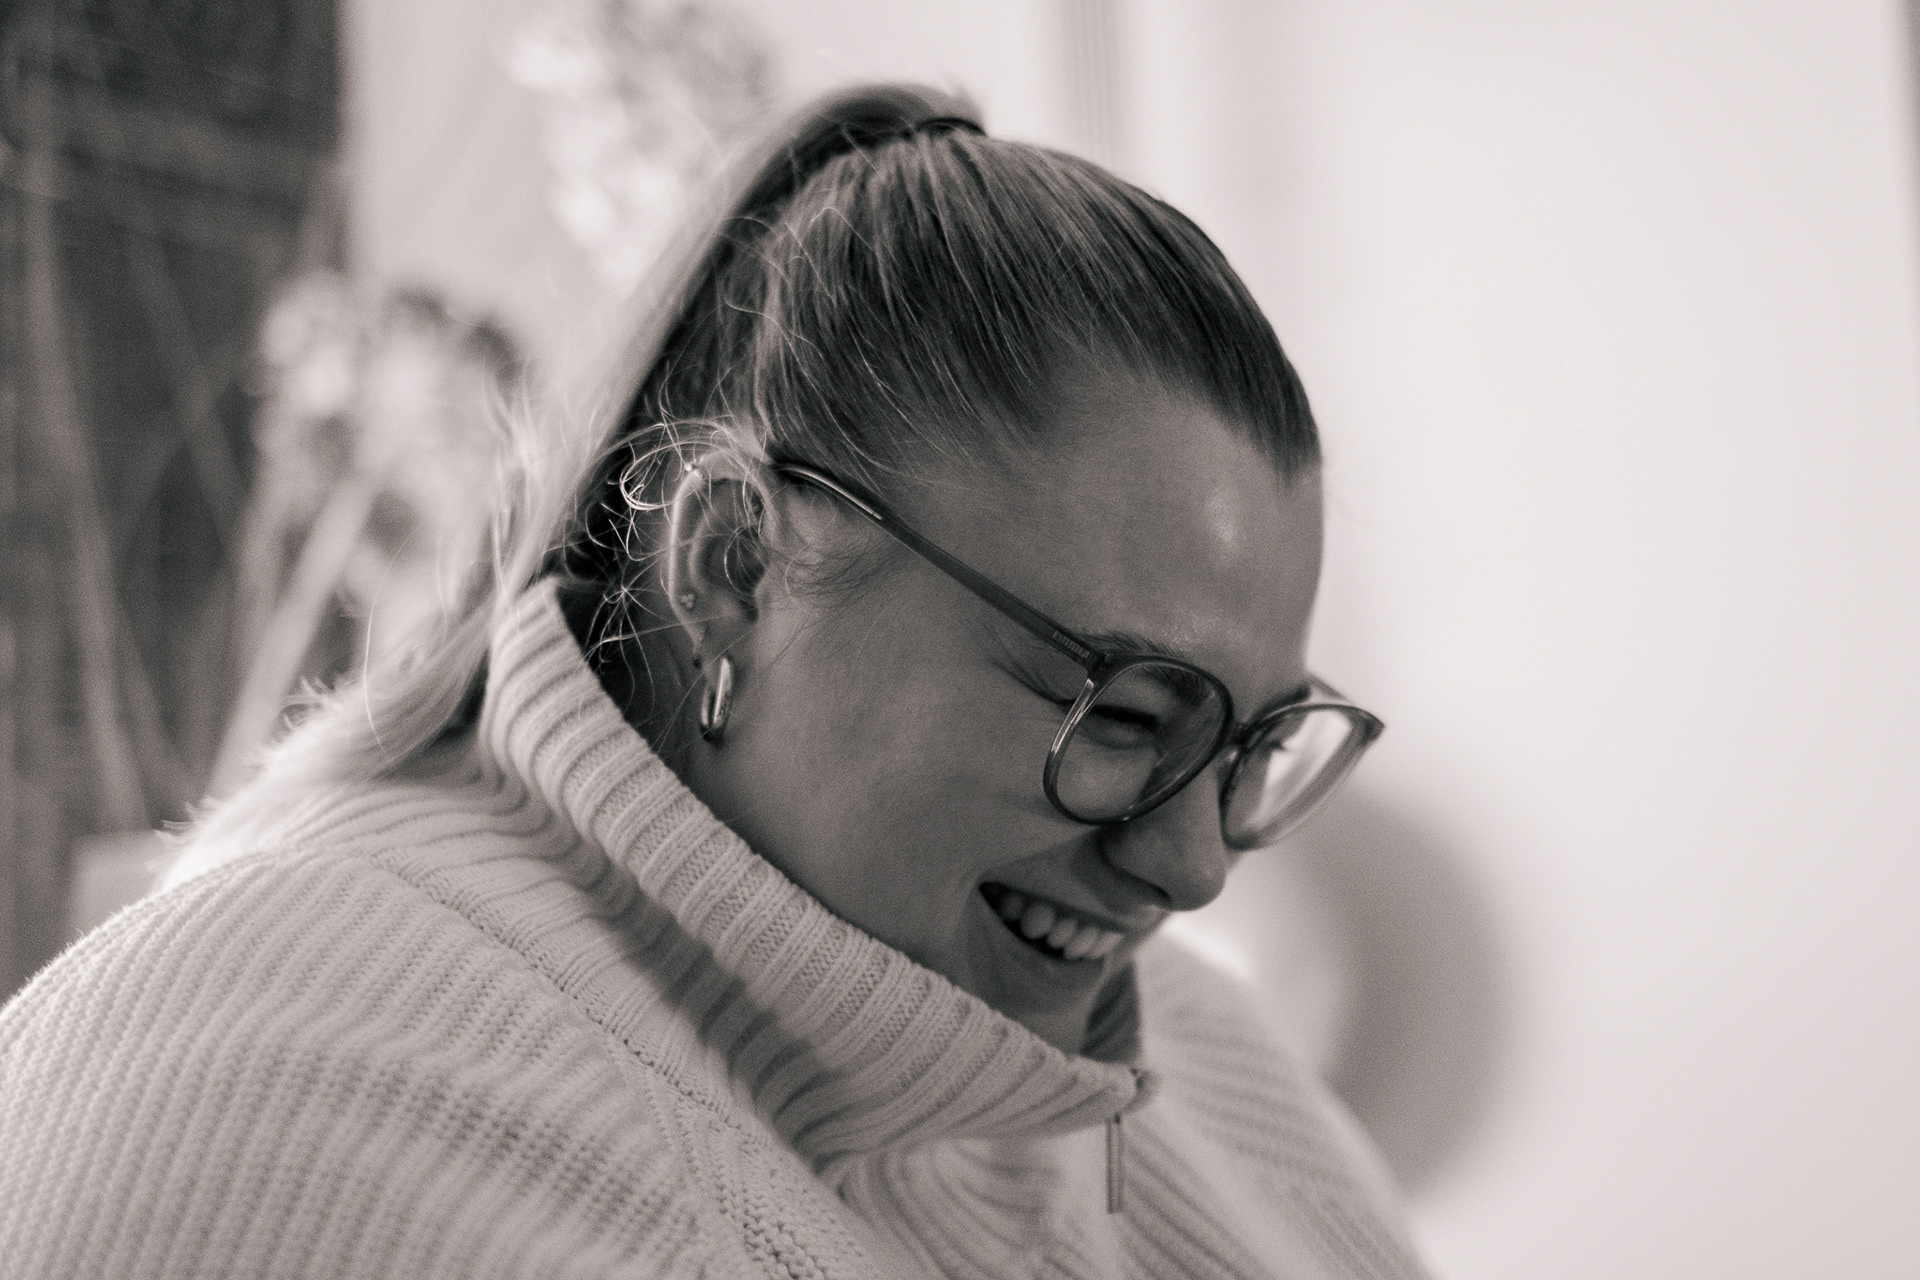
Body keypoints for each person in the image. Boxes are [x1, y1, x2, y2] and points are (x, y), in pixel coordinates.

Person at [0, 84, 1425, 1279]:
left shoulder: (1208, 1062)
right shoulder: (268, 1085)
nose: (1193, 870)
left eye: (1250, 752)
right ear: (733, 560)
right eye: (1123, 714)